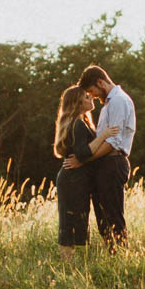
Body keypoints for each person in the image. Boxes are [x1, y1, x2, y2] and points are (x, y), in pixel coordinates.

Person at [69, 64, 135, 245]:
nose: (94, 96)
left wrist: (83, 160)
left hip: (113, 163)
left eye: (92, 91)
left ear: (100, 82)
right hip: (104, 165)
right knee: (103, 219)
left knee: (113, 216)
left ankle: (121, 257)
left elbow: (112, 143)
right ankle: (113, 255)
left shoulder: (118, 101)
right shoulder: (108, 104)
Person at [53, 85, 119, 252]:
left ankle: (71, 268)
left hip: (76, 179)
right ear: (77, 102)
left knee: (76, 222)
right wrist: (104, 135)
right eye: (86, 97)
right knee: (70, 223)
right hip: (73, 180)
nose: (91, 98)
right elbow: (82, 154)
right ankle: (66, 268)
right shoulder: (78, 124)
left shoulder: (77, 123)